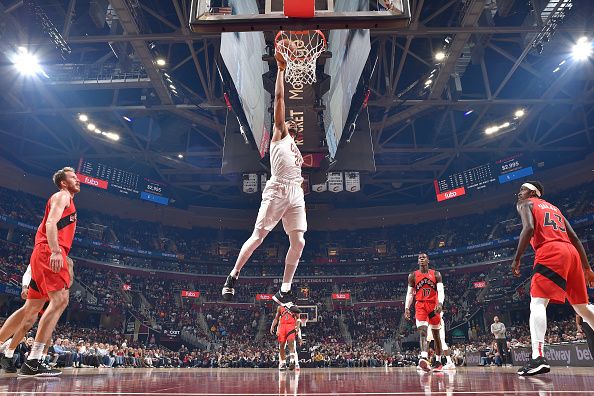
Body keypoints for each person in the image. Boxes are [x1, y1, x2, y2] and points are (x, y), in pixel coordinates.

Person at [222, 40, 306, 313]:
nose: (289, 121)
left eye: (292, 123)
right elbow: (280, 100)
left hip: (295, 192)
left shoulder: (295, 148)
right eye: (288, 121)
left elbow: (298, 173)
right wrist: (281, 70)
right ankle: (233, 275)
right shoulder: (280, 135)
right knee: (258, 236)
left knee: (300, 241)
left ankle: (284, 290)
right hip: (278, 189)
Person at [512, 181, 594, 376]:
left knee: (538, 302)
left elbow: (529, 228)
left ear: (532, 192)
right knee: (582, 308)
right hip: (571, 252)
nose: (518, 193)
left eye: (522, 189)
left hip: (550, 251)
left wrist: (517, 258)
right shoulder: (555, 208)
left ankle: (537, 357)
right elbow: (574, 237)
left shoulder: (526, 204)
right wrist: (587, 267)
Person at [19, 167, 80, 377]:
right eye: (73, 177)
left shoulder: (66, 199)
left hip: (45, 251)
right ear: (63, 182)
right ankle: (33, 360)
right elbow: (51, 223)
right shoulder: (62, 195)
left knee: (48, 303)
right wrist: (55, 251)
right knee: (60, 301)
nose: (77, 180)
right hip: (50, 251)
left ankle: (32, 358)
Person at [405, 253, 445, 372]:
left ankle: (438, 362)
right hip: (421, 305)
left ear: (428, 260)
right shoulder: (413, 276)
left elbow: (441, 291)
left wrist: (440, 303)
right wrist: (407, 307)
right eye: (419, 258)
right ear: (418, 261)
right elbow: (409, 293)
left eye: (424, 257)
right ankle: (424, 358)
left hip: (434, 306)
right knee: (422, 331)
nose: (421, 259)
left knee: (436, 335)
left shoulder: (436, 274)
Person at [270, 305, 302, 371]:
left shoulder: (294, 307)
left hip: (291, 327)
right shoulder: (280, 307)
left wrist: (299, 333)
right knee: (281, 346)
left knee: (292, 345)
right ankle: (283, 363)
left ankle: (293, 362)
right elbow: (276, 318)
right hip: (282, 327)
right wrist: (272, 326)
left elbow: (298, 319)